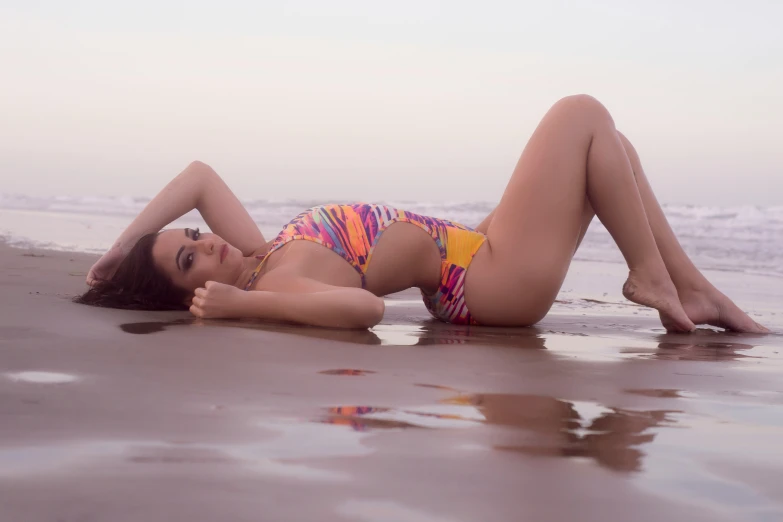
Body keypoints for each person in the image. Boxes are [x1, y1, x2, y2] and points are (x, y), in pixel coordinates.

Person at [76, 95, 769, 334]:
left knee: (611, 148)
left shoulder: (260, 250)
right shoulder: (271, 284)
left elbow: (197, 175)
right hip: (486, 281)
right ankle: (652, 279)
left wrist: (125, 247)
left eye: (194, 235)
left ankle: (686, 286)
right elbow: (367, 314)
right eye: (189, 258)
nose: (208, 243)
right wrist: (234, 308)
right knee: (580, 115)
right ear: (190, 290)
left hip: (482, 247)